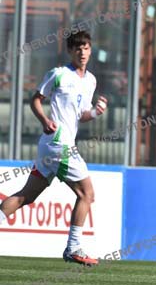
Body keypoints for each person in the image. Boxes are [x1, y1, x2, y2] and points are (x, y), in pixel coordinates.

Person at [0, 31, 107, 265]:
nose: (82, 52)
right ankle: (73, 248)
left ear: (90, 51)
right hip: (59, 144)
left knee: (25, 196)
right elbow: (35, 99)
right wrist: (44, 120)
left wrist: (96, 112)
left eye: (86, 48)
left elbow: (81, 114)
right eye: (77, 48)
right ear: (70, 51)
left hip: (52, 147)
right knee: (86, 194)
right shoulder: (58, 74)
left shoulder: (90, 80)